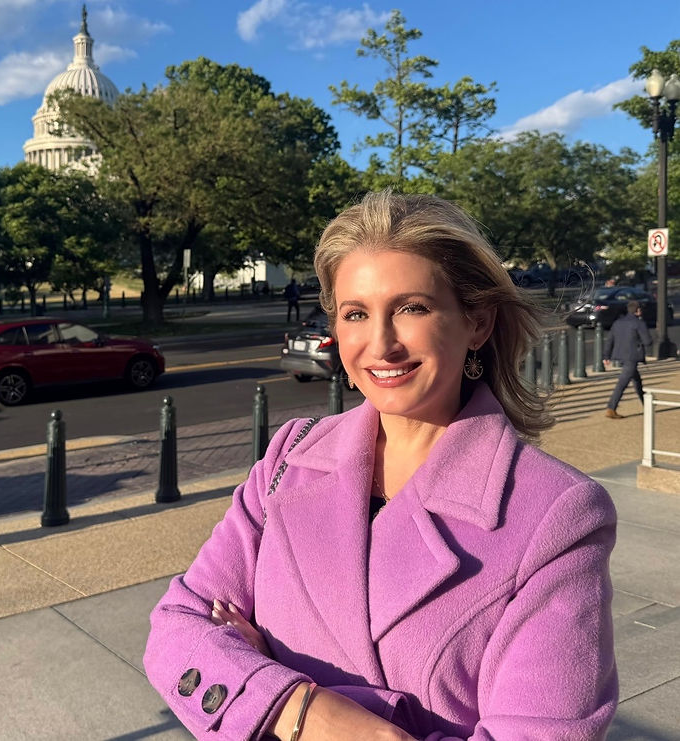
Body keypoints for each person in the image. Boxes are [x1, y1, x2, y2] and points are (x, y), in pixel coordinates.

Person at [145, 190, 617, 740]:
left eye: (412, 308)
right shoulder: (289, 458)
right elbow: (175, 631)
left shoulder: (556, 515)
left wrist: (258, 687)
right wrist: (308, 712)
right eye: (356, 314)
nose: (381, 344)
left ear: (478, 323)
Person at [603, 300, 652, 419]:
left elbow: (610, 340)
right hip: (632, 357)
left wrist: (606, 356)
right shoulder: (638, 323)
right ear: (637, 310)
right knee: (622, 383)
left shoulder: (618, 323)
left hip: (620, 355)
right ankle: (611, 408)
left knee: (637, 381)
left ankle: (647, 404)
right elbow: (648, 341)